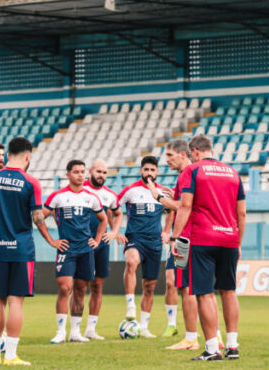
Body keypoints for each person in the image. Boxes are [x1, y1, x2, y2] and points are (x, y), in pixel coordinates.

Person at [0, 137, 57, 365]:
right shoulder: (31, 182)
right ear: (27, 156)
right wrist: (50, 239)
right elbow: (38, 217)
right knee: (16, 302)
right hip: (21, 249)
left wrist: (0, 217)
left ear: (8, 153)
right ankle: (11, 355)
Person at [170, 134, 246, 361]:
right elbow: (241, 212)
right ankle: (232, 346)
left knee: (204, 294)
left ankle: (212, 348)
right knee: (229, 291)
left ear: (193, 151)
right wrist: (238, 242)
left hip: (203, 238)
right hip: (230, 239)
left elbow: (185, 206)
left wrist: (175, 238)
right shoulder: (233, 173)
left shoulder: (192, 171)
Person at [42, 160, 107, 343]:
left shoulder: (91, 198)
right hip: (67, 248)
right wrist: (51, 240)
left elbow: (103, 220)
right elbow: (39, 217)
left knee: (80, 289)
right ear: (68, 175)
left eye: (82, 172)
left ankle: (75, 332)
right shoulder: (57, 196)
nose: (80, 175)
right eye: (76, 172)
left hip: (86, 249)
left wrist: (97, 240)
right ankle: (61, 330)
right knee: (65, 288)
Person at [149, 139, 203, 350]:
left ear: (183, 154)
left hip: (186, 238)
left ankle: (191, 338)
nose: (166, 160)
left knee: (186, 287)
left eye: (170, 155)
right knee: (198, 289)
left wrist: (160, 198)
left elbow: (182, 207)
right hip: (194, 236)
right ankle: (211, 336)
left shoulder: (187, 173)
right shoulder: (189, 175)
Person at [117, 156, 169, 339]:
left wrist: (167, 231)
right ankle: (130, 306)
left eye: (152, 170)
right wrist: (115, 230)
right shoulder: (130, 190)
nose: (149, 173)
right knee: (131, 262)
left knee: (150, 286)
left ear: (157, 172)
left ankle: (144, 326)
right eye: (146, 169)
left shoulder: (162, 192)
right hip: (135, 239)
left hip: (154, 242)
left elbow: (172, 211)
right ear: (141, 171)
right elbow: (112, 208)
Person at [79, 159, 124, 339]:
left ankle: (91, 329)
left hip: (101, 244)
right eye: (98, 171)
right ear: (90, 171)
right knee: (79, 286)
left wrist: (114, 231)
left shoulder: (110, 195)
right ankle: (74, 329)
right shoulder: (79, 190)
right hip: (81, 243)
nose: (101, 175)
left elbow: (118, 213)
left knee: (97, 286)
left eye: (105, 173)